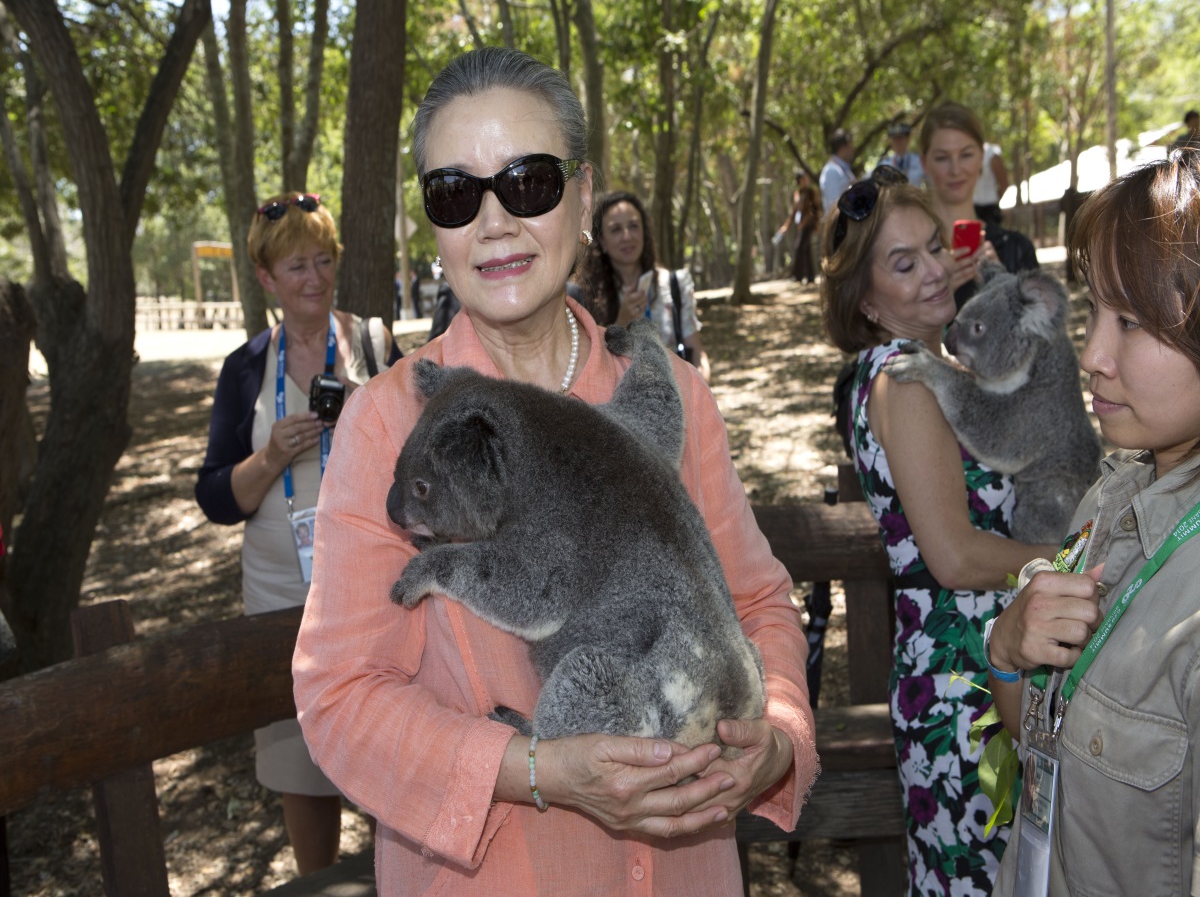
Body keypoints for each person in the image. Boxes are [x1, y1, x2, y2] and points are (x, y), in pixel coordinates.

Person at [291, 47, 817, 894]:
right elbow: (341, 698)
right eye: (455, 194)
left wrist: (779, 737)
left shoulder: (668, 396)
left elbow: (758, 603)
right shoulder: (388, 421)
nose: (493, 223)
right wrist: (531, 769)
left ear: (581, 192)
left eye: (527, 182)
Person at [820, 169, 1058, 894]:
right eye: (903, 263)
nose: (931, 273)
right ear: (866, 301)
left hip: (976, 668)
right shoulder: (905, 379)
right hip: (964, 685)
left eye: (932, 248)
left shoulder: (923, 367)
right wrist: (1072, 560)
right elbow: (953, 556)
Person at [987, 152, 1200, 895]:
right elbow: (1040, 735)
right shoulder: (1107, 500)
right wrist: (1009, 648)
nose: (1091, 355)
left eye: (1133, 322)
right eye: (1095, 313)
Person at [194, 191, 398, 876]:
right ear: (265, 278)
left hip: (377, 598)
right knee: (300, 771)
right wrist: (273, 455)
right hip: (282, 606)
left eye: (321, 261)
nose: (312, 279)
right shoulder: (245, 367)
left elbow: (422, 460)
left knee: (393, 767)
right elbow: (217, 499)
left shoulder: (371, 343)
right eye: (294, 268)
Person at [578, 189, 712, 382]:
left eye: (633, 226)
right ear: (602, 242)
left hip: (679, 400)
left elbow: (697, 353)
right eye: (616, 229)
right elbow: (592, 371)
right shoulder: (585, 297)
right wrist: (622, 321)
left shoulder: (675, 285)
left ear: (644, 233)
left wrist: (701, 393)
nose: (627, 236)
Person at [918, 103, 1037, 310]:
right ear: (924, 163)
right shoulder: (907, 254)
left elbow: (1042, 336)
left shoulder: (1015, 249)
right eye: (942, 158)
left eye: (966, 155)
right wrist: (936, 298)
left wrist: (1002, 284)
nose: (955, 170)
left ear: (982, 157)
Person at [775, 172, 821, 285]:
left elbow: (816, 209)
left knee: (799, 247)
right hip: (800, 224)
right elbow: (794, 212)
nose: (806, 180)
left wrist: (817, 224)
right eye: (804, 179)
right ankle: (810, 277)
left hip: (809, 224)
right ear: (800, 180)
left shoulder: (812, 192)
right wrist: (786, 226)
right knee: (806, 249)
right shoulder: (798, 193)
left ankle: (798, 275)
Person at [819, 127, 856, 214]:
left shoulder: (843, 169)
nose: (853, 149)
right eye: (851, 146)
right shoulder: (831, 171)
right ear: (843, 148)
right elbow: (834, 208)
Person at [972, 141, 1009, 226]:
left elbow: (1004, 183)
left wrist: (994, 199)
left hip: (989, 211)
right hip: (969, 209)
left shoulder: (991, 153)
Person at [880, 121, 925, 187]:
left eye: (900, 138)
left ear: (908, 139)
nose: (897, 142)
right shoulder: (885, 164)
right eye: (894, 139)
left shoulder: (920, 161)